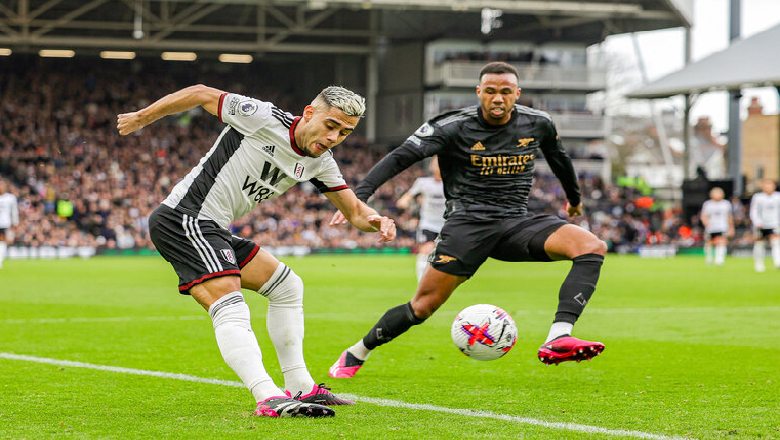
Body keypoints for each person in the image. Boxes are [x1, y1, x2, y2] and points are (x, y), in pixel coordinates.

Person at [117, 84, 396, 418]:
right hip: (184, 218)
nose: (335, 136)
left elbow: (354, 212)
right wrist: (143, 116)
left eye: (345, 132)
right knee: (230, 304)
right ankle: (267, 395)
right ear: (309, 113)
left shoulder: (321, 163)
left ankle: (301, 387)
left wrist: (376, 220)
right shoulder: (262, 117)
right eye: (330, 125)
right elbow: (202, 93)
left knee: (287, 285)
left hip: (213, 228)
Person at [328, 61, 607, 380]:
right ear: (479, 93)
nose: (498, 98)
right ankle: (356, 353)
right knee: (422, 307)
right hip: (467, 228)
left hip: (516, 223)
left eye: (505, 92)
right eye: (490, 91)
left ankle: (558, 336)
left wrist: (574, 200)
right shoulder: (450, 126)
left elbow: (559, 158)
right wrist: (358, 196)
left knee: (591, 246)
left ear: (517, 94)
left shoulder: (538, 123)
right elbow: (401, 157)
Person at [395, 156, 446, 280]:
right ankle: (421, 285)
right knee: (425, 251)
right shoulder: (423, 182)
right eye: (436, 163)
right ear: (431, 166)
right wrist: (404, 201)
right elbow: (409, 195)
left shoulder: (452, 183)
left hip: (446, 224)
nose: (438, 165)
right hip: (428, 224)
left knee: (445, 256)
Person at [749, 179, 780, 272]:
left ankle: (777, 262)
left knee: (776, 242)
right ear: (763, 187)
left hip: (774, 223)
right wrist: (757, 222)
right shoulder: (758, 197)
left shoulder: (778, 197)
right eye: (766, 185)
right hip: (761, 225)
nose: (768, 187)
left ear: (774, 186)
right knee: (760, 244)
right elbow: (754, 211)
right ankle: (759, 264)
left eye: (770, 185)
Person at [700, 187, 733, 266]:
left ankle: (719, 260)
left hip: (722, 226)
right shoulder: (708, 204)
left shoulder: (726, 204)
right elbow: (704, 215)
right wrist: (705, 222)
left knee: (722, 242)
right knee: (709, 243)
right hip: (711, 227)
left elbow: (729, 216)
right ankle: (709, 258)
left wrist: (731, 227)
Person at [0, 179, 19, 269]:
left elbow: (14, 211)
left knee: (2, 241)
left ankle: (0, 260)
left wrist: (15, 223)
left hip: (4, 223)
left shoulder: (10, 198)